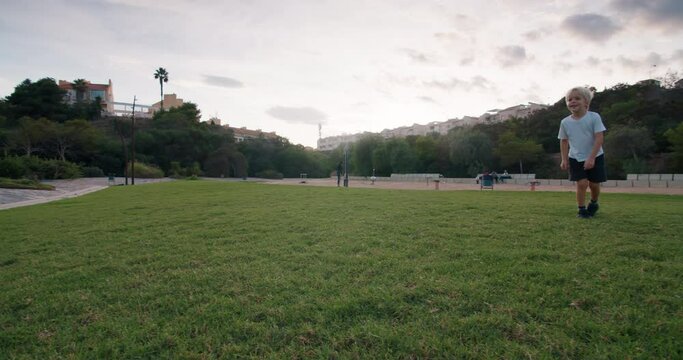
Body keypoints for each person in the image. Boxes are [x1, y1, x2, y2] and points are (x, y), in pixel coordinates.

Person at [558, 86, 607, 218]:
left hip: (596, 156)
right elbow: (563, 141)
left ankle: (594, 202)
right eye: (569, 100)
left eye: (577, 98)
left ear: (586, 102)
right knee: (582, 183)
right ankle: (581, 210)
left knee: (594, 184)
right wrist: (564, 159)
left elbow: (599, 138)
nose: (572, 101)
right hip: (575, 157)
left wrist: (591, 158)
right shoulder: (565, 122)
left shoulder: (594, 117)